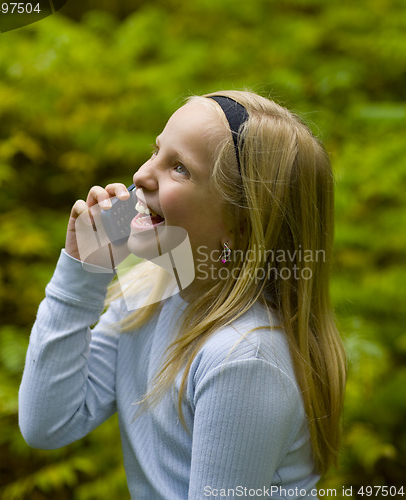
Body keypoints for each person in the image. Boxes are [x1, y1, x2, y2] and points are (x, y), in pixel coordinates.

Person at [19, 90, 346, 499]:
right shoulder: (146, 294)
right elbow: (47, 424)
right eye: (156, 151)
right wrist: (84, 271)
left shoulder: (243, 357)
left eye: (179, 169)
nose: (141, 175)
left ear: (240, 227)